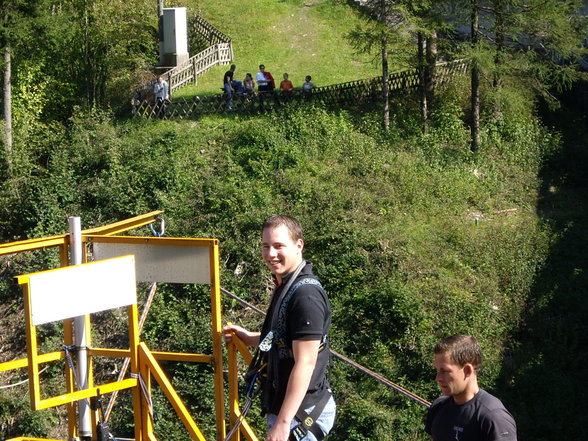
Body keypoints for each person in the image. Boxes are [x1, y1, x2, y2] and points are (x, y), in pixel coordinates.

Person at [223, 215, 336, 441]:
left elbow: (306, 362)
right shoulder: (287, 284)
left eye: (278, 246)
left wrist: (283, 424)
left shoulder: (305, 296)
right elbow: (285, 339)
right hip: (291, 408)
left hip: (300, 414)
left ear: (299, 245)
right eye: (266, 246)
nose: (271, 254)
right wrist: (249, 337)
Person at [425, 334, 517, 441]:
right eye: (437, 370)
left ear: (467, 370)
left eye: (444, 371)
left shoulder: (493, 416)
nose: (438, 378)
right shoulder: (438, 407)